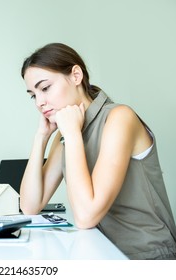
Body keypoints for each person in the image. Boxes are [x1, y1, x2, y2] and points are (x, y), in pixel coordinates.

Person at [19, 42, 176, 260]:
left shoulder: (120, 117)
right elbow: (29, 207)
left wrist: (72, 134)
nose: (40, 102)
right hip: (104, 253)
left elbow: (86, 216)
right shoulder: (66, 131)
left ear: (76, 75)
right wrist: (41, 137)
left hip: (148, 256)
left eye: (45, 88)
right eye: (32, 95)